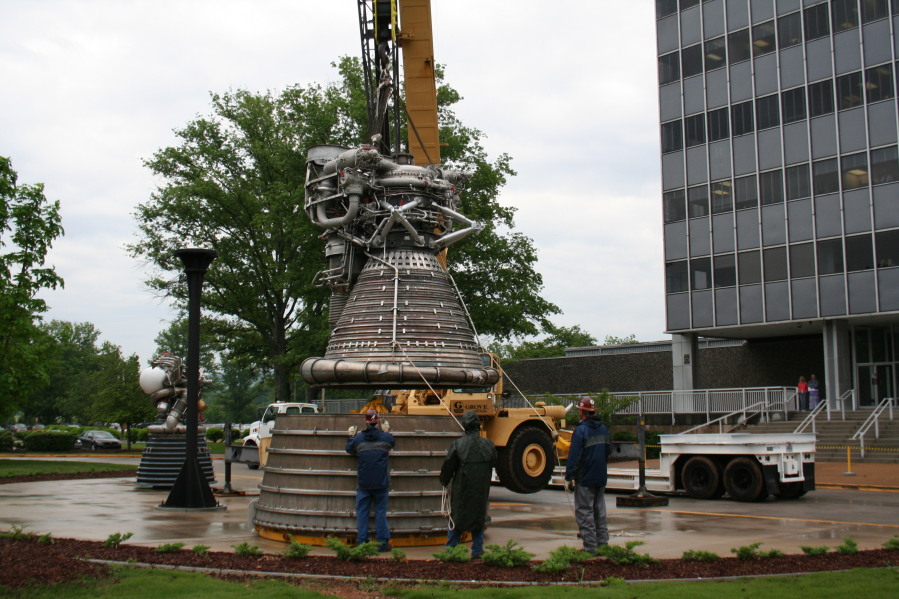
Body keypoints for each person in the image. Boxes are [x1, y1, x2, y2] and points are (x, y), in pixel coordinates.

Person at [439, 410, 498, 559]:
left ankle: (451, 551)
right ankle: (477, 550)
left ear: (465, 425)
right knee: (478, 518)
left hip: (462, 489)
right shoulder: (489, 445)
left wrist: (444, 480)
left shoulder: (458, 445)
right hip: (481, 489)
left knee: (456, 518)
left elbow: (448, 466)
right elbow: (494, 461)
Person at [564, 397, 612, 555]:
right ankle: (603, 545)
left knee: (585, 512)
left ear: (582, 412)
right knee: (600, 511)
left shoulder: (581, 430)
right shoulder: (603, 429)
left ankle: (590, 548)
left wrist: (569, 476)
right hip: (600, 476)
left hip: (585, 478)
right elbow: (608, 451)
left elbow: (575, 456)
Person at [346, 409, 395, 552]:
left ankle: (362, 542)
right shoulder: (385, 438)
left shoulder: (359, 439)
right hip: (381, 482)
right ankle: (382, 543)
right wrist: (386, 432)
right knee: (380, 512)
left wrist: (350, 436)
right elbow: (392, 442)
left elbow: (349, 449)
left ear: (366, 422)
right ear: (378, 421)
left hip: (364, 483)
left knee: (362, 512)